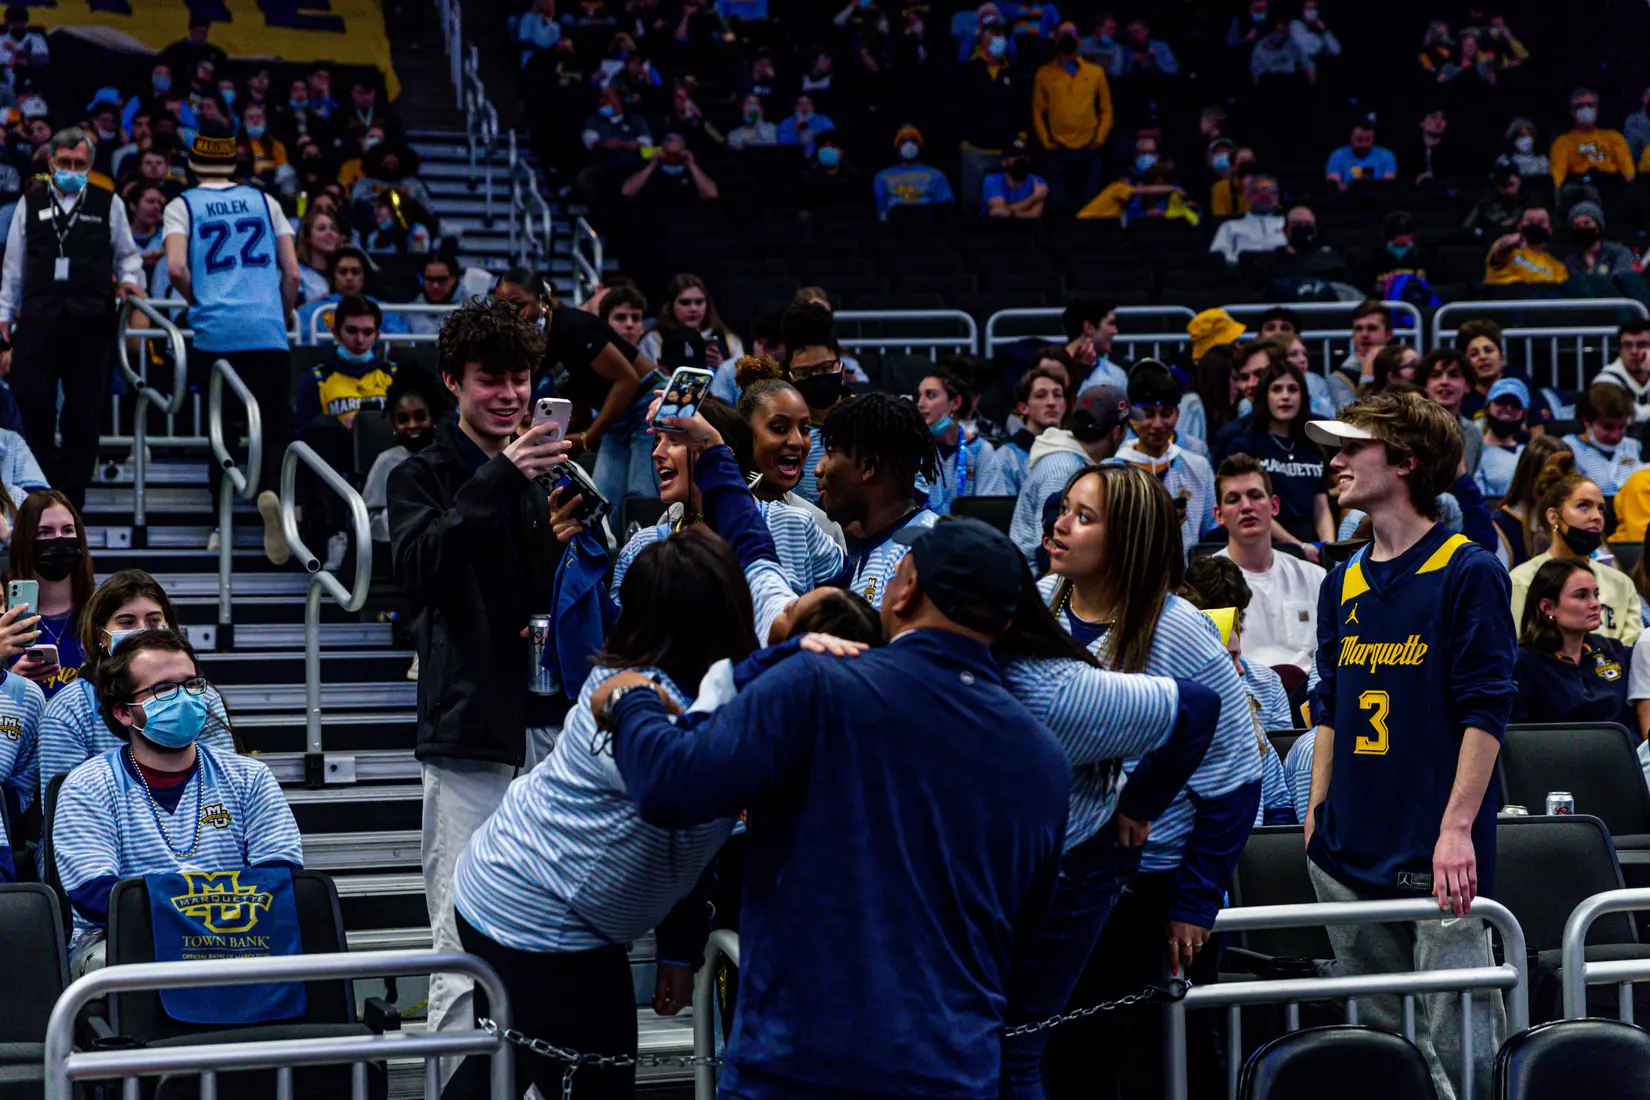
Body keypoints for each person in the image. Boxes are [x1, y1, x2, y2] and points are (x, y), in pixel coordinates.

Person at [598, 519, 1072, 1100]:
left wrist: (630, 700)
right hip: (953, 1070)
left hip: (796, 1070)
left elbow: (670, 784)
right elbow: (1025, 938)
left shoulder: (817, 684)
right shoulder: (1044, 758)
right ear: (1002, 622)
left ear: (906, 591)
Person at [448, 527, 758, 1099]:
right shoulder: (628, 698)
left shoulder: (718, 690)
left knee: (519, 1059)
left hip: (567, 910)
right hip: (529, 912)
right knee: (574, 1073)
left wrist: (677, 947)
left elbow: (678, 846)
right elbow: (678, 795)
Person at [1301, 390, 1513, 1100]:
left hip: (1436, 850)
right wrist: (1316, 810)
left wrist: (1457, 831)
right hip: (1346, 844)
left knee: (1460, 1054)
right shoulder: (1341, 581)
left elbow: (1488, 711)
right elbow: (1328, 702)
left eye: (1349, 448)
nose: (1334, 461)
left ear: (1404, 461)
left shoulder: (1468, 569)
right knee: (1382, 1057)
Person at [387, 299, 577, 1080]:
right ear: (451, 384)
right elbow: (421, 570)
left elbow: (537, 595)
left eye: (520, 378)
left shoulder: (541, 473)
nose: (508, 395)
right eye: (489, 380)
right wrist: (502, 476)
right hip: (469, 733)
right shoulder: (420, 472)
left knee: (550, 931)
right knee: (459, 944)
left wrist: (562, 542)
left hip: (547, 722)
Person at [1037, 462, 1261, 1098]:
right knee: (1060, 1062)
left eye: (1084, 517)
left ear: (1127, 539)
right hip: (1051, 880)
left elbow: (1236, 780)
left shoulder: (1178, 628)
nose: (1060, 525)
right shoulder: (1038, 603)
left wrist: (1195, 904)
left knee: (1145, 1069)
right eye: (1063, 509)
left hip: (1145, 894)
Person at [54, 630, 300, 974]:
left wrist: (201, 920)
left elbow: (281, 873)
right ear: (124, 712)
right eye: (164, 689)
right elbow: (96, 895)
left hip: (241, 935)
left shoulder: (250, 776)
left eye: (192, 684)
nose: (184, 698)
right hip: (126, 940)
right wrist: (203, 913)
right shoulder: (87, 785)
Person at [164, 124, 301, 565]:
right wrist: (278, 316)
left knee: (221, 432)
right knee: (276, 428)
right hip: (266, 330)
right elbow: (294, 274)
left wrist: (198, 301)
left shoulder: (182, 205)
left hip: (217, 332)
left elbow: (176, 268)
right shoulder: (267, 201)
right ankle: (272, 495)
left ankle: (220, 526)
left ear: (194, 164)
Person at [0, 128, 143, 513]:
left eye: (80, 164)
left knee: (84, 415)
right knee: (34, 410)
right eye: (64, 163)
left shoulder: (107, 202)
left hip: (91, 323)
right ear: (51, 162)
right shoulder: (29, 203)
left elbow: (128, 256)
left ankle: (72, 503)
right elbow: (13, 267)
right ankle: (41, 499)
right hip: (38, 319)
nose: (71, 170)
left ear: (90, 165)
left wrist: (129, 281)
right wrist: (3, 315)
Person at [37, 569, 236, 801]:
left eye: (154, 620)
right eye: (127, 622)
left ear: (169, 626)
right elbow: (63, 807)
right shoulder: (68, 708)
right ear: (102, 636)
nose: (142, 631)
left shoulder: (201, 696)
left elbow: (224, 784)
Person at [616, 398, 842, 598]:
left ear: (722, 453)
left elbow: (852, 605)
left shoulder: (793, 525)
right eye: (657, 442)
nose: (656, 453)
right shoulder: (641, 546)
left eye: (675, 440)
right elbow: (615, 633)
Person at [492, 269, 655, 505]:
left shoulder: (573, 327)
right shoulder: (533, 345)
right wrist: (558, 440)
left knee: (641, 500)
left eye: (519, 306)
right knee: (604, 504)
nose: (511, 316)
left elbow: (627, 381)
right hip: (615, 419)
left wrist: (588, 437)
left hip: (646, 407)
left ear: (541, 299)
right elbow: (578, 406)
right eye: (503, 309)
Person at [1179, 555, 1296, 825]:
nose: (1225, 624)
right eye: (1213, 615)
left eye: (1233, 614)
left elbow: (1275, 780)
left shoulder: (1265, 682)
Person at [294, 297, 397, 569]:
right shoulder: (316, 378)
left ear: (378, 334)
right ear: (335, 331)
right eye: (352, 331)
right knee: (320, 429)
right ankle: (335, 534)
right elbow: (303, 437)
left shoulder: (395, 375)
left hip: (387, 459)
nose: (360, 339)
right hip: (337, 463)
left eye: (367, 332)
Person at [811, 393, 940, 607]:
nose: (818, 468)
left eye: (830, 452)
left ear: (868, 467)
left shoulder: (922, 553)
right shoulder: (877, 546)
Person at [1509, 451, 1641, 645]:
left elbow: (1630, 653)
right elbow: (1516, 648)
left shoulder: (1620, 583)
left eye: (1601, 508)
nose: (1596, 516)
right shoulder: (1522, 580)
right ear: (1554, 517)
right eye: (1584, 506)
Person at [1214, 454, 1328, 672]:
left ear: (1274, 506)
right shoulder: (1207, 584)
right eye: (1233, 499)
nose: (1246, 506)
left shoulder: (1316, 578)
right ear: (1219, 515)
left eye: (1255, 495)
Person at [1224, 359, 1334, 553]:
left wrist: (1328, 546)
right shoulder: (1245, 446)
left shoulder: (1313, 445)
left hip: (1312, 549)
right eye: (1277, 390)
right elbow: (1250, 507)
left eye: (1292, 389)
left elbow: (1321, 505)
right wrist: (1298, 547)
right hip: (1266, 548)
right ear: (1264, 396)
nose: (1285, 397)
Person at [732, 357, 844, 547]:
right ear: (744, 434)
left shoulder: (824, 526)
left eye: (805, 429)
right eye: (779, 428)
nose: (797, 441)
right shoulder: (698, 512)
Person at [1010, 384, 1131, 559]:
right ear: (1116, 432)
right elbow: (1049, 552)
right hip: (1039, 580)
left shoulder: (1074, 460)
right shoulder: (1063, 470)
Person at [1512, 559, 1632, 728]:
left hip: (1620, 752)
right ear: (1548, 608)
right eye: (1582, 596)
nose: (1596, 604)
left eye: (1596, 595)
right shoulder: (1522, 662)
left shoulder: (1613, 650)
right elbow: (1516, 736)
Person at [1116, 364, 1216, 556]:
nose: (1158, 424)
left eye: (1167, 413)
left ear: (1178, 414)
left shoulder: (1198, 467)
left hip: (1187, 579)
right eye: (1148, 413)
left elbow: (1212, 531)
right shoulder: (1111, 471)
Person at [9, 492, 94, 700]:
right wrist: (10, 682)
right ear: (25, 541)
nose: (59, 539)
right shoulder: (5, 617)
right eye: (45, 532)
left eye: (67, 530)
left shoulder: (102, 611)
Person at [1032, 25, 1112, 215]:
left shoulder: (1095, 72)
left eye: (1071, 34)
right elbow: (1037, 111)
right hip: (1059, 148)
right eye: (1062, 35)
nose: (1067, 38)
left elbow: (1106, 110)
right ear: (1056, 40)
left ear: (1080, 39)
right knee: (1059, 205)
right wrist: (1047, 142)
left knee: (1089, 204)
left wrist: (1099, 139)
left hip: (1088, 148)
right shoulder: (1044, 73)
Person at [363, 371, 443, 545]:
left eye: (420, 416)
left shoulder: (449, 456)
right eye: (403, 419)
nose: (412, 425)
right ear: (393, 425)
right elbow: (365, 521)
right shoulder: (386, 461)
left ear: (433, 418)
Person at [980, 365, 1068, 496]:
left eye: (1057, 395)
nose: (1051, 402)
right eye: (1041, 395)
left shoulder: (1074, 451)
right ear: (1023, 408)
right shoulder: (1007, 456)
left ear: (1065, 405)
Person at [915, 371, 994, 515]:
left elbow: (989, 510)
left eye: (930, 395)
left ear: (956, 402)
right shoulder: (911, 449)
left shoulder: (980, 450)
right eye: (919, 396)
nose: (920, 404)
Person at [638, 273, 744, 379]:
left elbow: (742, 385)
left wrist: (723, 367)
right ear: (670, 306)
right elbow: (650, 381)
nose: (693, 309)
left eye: (699, 302)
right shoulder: (654, 340)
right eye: (685, 303)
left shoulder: (728, 340)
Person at [1491, 435, 1571, 568]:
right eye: (1551, 478)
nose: (1559, 487)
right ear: (1529, 477)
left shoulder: (1576, 519)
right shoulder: (1500, 526)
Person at [1551, 87, 1634, 194]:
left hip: (1610, 189)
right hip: (1579, 190)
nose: (1585, 110)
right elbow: (1557, 177)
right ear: (1572, 111)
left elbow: (1628, 174)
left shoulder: (1614, 137)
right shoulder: (1562, 142)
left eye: (1590, 105)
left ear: (1597, 109)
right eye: (1580, 106)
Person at [1564, 382, 1641, 496]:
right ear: (1587, 422)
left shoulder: (1635, 446)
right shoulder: (1568, 449)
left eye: (1621, 427)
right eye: (1608, 427)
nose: (1616, 435)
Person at [1422, 349, 1484, 477]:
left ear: (1467, 385)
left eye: (1453, 375)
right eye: (1436, 375)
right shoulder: (1414, 428)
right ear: (1425, 386)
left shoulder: (1474, 434)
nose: (1444, 381)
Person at [873, 125, 955, 220]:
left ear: (920, 145)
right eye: (903, 141)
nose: (909, 145)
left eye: (913, 140)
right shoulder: (882, 177)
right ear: (896, 145)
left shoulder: (936, 176)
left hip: (927, 229)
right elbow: (880, 210)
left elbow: (947, 207)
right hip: (894, 229)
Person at [1327, 302, 1393, 410]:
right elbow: (1350, 417)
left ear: (1389, 334)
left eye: (1372, 328)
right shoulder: (1339, 377)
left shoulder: (1401, 365)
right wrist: (1367, 377)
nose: (1364, 334)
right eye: (1358, 329)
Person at [1210, 174, 1286, 265]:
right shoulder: (1230, 225)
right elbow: (1219, 253)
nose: (1264, 195)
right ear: (1248, 195)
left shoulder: (1287, 223)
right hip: (1241, 272)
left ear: (1277, 197)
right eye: (1259, 190)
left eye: (1270, 191)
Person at [1484, 205, 1567, 287]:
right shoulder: (1506, 247)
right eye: (1530, 221)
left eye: (1540, 222)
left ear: (1550, 229)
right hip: (1506, 296)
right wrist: (1507, 244)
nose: (1535, 225)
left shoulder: (1558, 267)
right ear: (1520, 226)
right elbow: (1498, 256)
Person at [1477, 378, 1529, 499]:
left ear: (1524, 414)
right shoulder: (1473, 450)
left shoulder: (1528, 452)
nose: (1508, 409)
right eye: (1502, 402)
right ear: (1487, 407)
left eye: (1516, 405)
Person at [1064, 295, 1127, 391]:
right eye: (1110, 323)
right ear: (1088, 327)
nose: (1115, 331)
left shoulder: (1117, 375)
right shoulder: (1050, 369)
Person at [1595, 319, 1650, 422]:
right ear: (1619, 351)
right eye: (1628, 345)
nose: (1634, 351)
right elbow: (1621, 416)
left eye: (1641, 344)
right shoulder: (1605, 381)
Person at [982, 138, 1049, 219]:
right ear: (1004, 162)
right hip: (996, 227)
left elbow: (1034, 215)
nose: (1021, 158)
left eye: (1024, 155)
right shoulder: (992, 180)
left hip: (1026, 228)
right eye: (1015, 155)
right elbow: (998, 212)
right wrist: (1033, 199)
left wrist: (1011, 213)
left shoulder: (1037, 181)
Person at [1324, 121, 1397, 190]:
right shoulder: (1337, 155)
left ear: (1373, 138)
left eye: (1368, 140)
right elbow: (1332, 182)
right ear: (1351, 137)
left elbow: (1388, 184)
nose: (1363, 144)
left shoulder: (1387, 156)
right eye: (1359, 140)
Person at [403, 253, 462, 337]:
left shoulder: (471, 308)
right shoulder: (410, 311)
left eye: (442, 279)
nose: (435, 286)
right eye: (430, 279)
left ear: (454, 279)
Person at [294, 208, 340, 304]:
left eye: (333, 228)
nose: (329, 233)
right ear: (307, 237)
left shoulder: (345, 271)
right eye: (321, 228)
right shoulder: (297, 273)